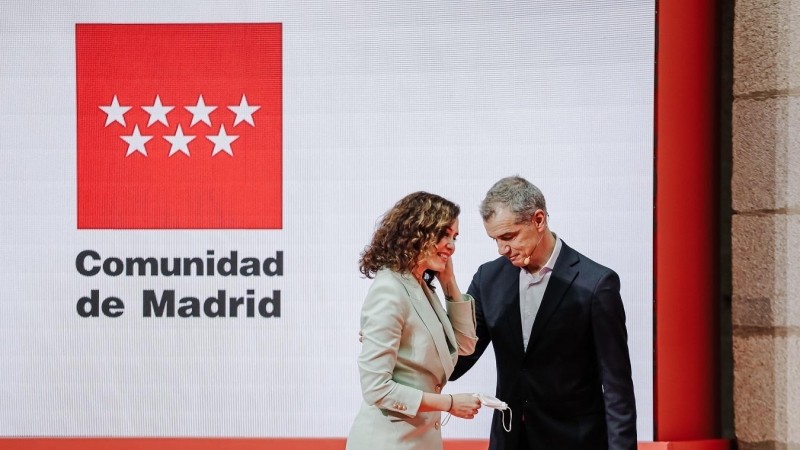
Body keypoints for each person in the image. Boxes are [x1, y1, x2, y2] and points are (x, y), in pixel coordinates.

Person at [450, 176, 637, 450]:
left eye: (509, 237)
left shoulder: (596, 284)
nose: (503, 249)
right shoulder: (488, 278)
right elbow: (459, 358)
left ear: (538, 220)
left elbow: (617, 386)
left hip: (576, 441)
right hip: (509, 439)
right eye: (495, 240)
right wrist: (402, 343)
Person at [347, 192, 482, 450]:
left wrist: (449, 283)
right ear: (415, 232)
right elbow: (376, 389)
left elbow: (465, 345)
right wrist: (449, 403)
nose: (451, 246)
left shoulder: (422, 288)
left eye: (454, 238)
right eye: (444, 234)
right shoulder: (390, 290)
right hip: (388, 442)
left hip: (418, 441)